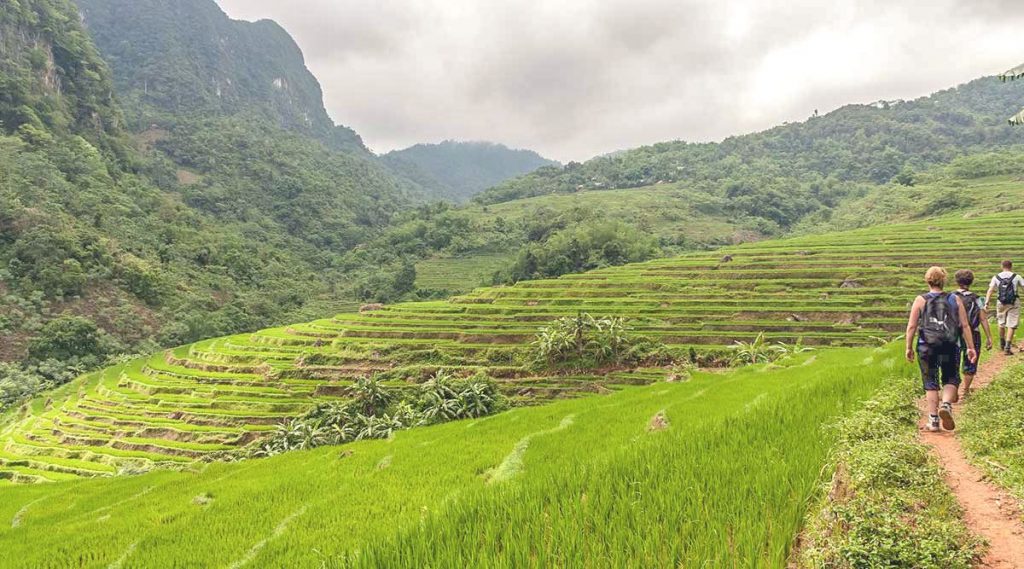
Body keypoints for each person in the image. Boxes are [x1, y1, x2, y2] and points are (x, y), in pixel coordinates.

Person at [905, 266, 977, 432]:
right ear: (944, 281)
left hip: (927, 346)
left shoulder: (920, 300)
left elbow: (911, 326)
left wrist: (908, 347)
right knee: (951, 378)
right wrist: (971, 347)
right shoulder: (954, 299)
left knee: (930, 381)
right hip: (950, 344)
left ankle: (933, 420)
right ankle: (946, 404)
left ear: (927, 280)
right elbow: (965, 325)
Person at [953, 269, 992, 399]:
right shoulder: (977, 299)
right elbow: (983, 319)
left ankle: (952, 390)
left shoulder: (950, 297)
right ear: (971, 282)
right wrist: (989, 337)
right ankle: (965, 390)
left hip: (953, 334)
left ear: (956, 281)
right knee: (971, 360)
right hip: (973, 333)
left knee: (953, 360)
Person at [984, 260, 1024, 355]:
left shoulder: (996, 277)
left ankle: (1002, 343)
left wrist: (987, 302)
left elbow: (990, 290)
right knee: (1012, 324)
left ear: (1002, 266)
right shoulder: (1017, 276)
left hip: (1000, 302)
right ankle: (1007, 346)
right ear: (1011, 266)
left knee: (1001, 322)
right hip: (1014, 302)